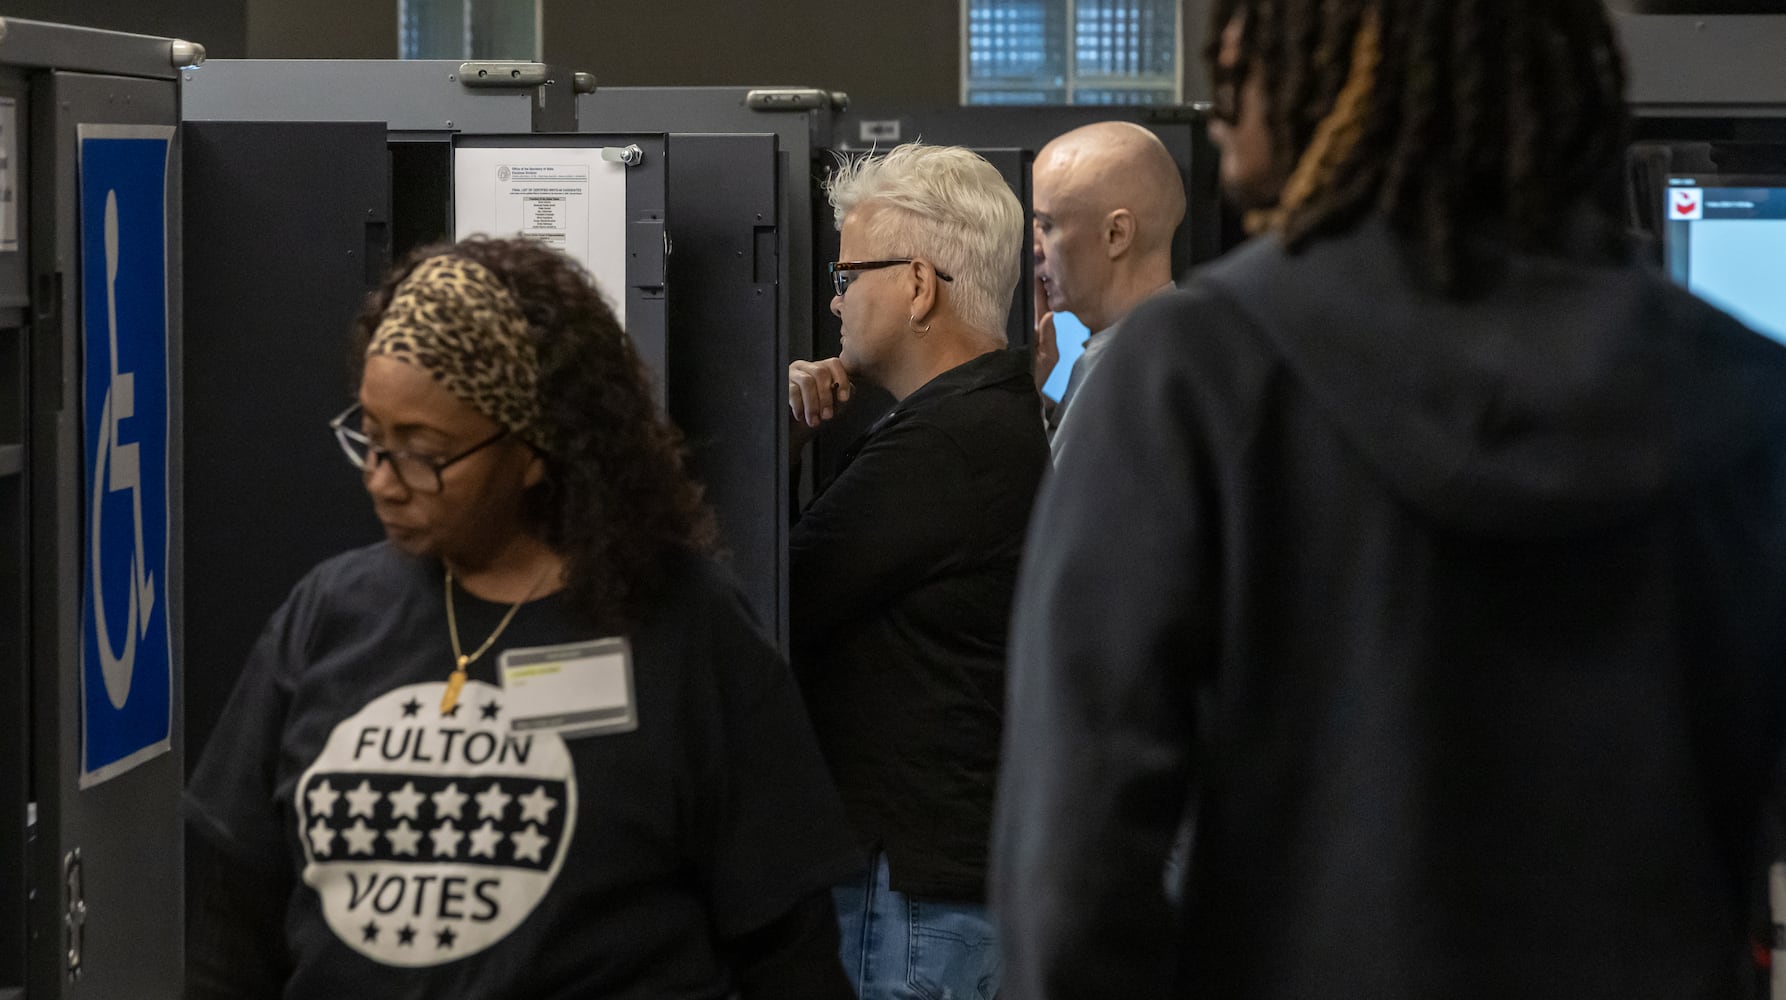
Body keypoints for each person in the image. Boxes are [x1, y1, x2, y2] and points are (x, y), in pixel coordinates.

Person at [993, 0, 1786, 998]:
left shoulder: (1190, 380)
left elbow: (1071, 872)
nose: (1221, 48)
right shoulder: (1739, 395)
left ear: (1339, 62)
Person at [185, 237, 861, 999]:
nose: (383, 480)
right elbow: (230, 931)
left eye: (423, 451)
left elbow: (787, 953)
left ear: (536, 449)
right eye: (370, 440)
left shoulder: (686, 630)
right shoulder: (326, 619)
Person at [786, 143, 1047, 1000]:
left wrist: (769, 439)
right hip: (949, 884)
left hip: (912, 901)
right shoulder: (994, 420)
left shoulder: (944, 447)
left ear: (918, 284)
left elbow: (778, 598)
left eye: (848, 271)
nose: (834, 297)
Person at [1029, 120, 1186, 459]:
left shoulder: (1133, 379)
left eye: (1047, 225)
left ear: (1116, 234)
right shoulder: (1148, 354)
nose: (1034, 247)